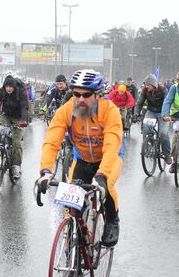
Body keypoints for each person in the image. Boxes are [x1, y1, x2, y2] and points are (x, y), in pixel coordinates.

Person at [36, 69, 123, 246]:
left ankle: (113, 221)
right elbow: (52, 142)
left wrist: (102, 175)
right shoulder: (67, 110)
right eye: (76, 94)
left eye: (86, 94)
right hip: (82, 159)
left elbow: (111, 144)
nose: (80, 99)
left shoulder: (109, 111)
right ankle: (73, 243)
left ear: (97, 94)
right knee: (73, 206)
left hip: (109, 159)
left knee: (107, 187)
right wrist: (45, 171)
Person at [0, 74, 29, 179]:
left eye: (11, 87)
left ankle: (16, 166)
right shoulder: (1, 91)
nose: (8, 89)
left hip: (18, 118)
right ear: (4, 86)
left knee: (16, 142)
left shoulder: (21, 92)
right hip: (6, 115)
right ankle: (1, 145)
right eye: (7, 87)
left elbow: (24, 107)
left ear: (14, 87)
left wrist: (23, 120)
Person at [136, 74, 171, 163]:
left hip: (163, 112)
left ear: (153, 84)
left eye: (148, 84)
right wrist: (136, 113)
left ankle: (167, 155)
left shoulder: (163, 90)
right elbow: (139, 102)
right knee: (145, 128)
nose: (146, 86)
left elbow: (167, 102)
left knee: (163, 134)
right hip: (151, 112)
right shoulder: (145, 90)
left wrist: (166, 115)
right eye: (145, 85)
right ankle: (147, 147)